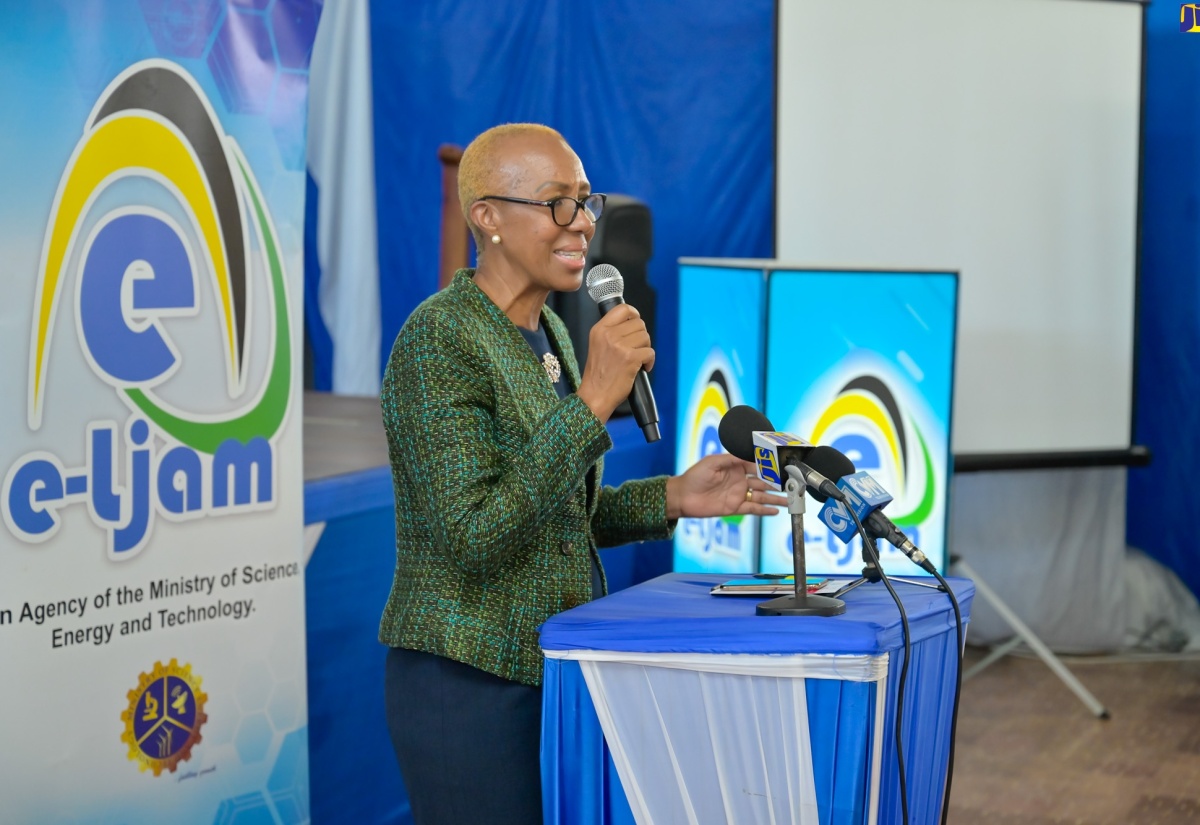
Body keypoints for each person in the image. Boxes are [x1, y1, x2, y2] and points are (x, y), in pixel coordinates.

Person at [379, 122, 785, 825]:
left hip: (551, 664)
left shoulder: (553, 335)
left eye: (585, 198)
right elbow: (475, 535)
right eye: (557, 202)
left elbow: (560, 514)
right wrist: (595, 400)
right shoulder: (439, 337)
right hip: (468, 680)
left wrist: (675, 495)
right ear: (488, 217)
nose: (584, 222)